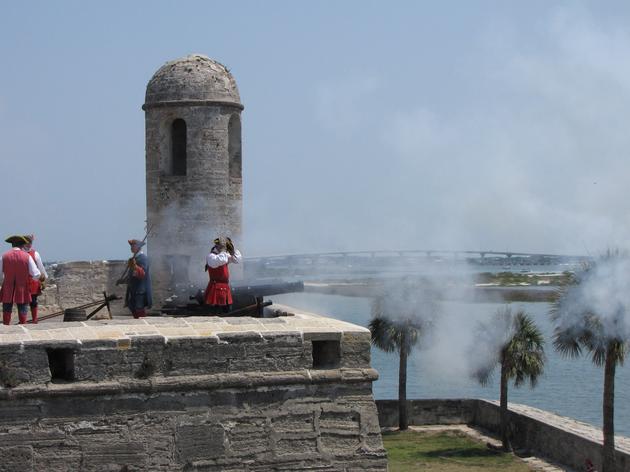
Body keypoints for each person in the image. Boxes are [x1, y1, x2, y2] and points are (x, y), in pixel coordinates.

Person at [0, 235, 41, 325]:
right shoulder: (27, 256)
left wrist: (5, 280)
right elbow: (36, 274)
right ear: (22, 245)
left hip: (7, 286)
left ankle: (6, 327)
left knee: (7, 308)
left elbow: (0, 274)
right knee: (23, 308)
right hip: (22, 287)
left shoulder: (4, 256)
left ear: (12, 245)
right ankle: (22, 327)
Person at [204, 237, 242, 313]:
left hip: (225, 287)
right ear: (217, 246)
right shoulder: (211, 256)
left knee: (226, 311)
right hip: (215, 287)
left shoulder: (223, 255)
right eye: (222, 245)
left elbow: (237, 260)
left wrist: (232, 251)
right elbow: (220, 260)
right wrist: (223, 251)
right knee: (215, 311)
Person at [124, 239, 152, 319]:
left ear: (138, 247)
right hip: (134, 288)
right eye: (131, 246)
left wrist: (135, 266)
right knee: (131, 305)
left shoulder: (143, 258)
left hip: (140, 289)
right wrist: (124, 280)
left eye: (133, 246)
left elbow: (142, 273)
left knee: (139, 308)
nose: (131, 248)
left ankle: (142, 325)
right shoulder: (134, 258)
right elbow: (132, 274)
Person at [23, 234, 47, 324]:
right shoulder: (20, 253)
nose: (29, 244)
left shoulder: (35, 254)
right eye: (27, 242)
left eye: (30, 242)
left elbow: (41, 267)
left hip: (34, 281)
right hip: (23, 281)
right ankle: (23, 320)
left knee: (33, 301)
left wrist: (43, 280)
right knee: (23, 302)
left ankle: (34, 319)